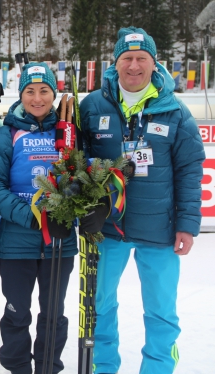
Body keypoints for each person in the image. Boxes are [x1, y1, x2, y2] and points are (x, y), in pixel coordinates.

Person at [80, 26, 206, 374]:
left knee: (161, 309)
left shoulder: (175, 112)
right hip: (108, 227)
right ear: (115, 64)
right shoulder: (92, 106)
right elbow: (74, 162)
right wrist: (84, 209)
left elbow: (190, 171)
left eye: (141, 59)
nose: (133, 66)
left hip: (160, 229)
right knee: (100, 306)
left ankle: (158, 367)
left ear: (155, 64)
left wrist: (187, 225)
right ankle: (104, 366)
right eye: (126, 58)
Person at [0, 62, 78, 374]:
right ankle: (17, 365)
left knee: (53, 312)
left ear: (54, 94)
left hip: (59, 243)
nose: (38, 98)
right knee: (17, 311)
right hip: (16, 242)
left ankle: (48, 366)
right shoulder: (5, 134)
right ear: (20, 94)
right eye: (30, 91)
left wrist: (74, 207)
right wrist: (32, 218)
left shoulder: (69, 132)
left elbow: (83, 177)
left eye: (44, 91)